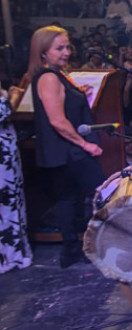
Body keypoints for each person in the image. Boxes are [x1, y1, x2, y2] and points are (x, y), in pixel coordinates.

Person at [29, 26, 105, 268]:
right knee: (103, 193)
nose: (66, 52)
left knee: (69, 198)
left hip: (63, 152)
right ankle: (104, 245)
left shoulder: (57, 75)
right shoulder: (49, 77)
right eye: (59, 48)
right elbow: (58, 121)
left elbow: (63, 103)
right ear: (43, 52)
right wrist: (86, 145)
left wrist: (78, 93)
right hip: (70, 151)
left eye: (67, 47)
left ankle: (71, 250)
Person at [0, 84, 31, 272]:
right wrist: (12, 97)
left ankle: (14, 254)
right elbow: (2, 111)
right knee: (7, 201)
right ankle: (10, 257)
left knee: (12, 200)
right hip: (2, 155)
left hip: (6, 151)